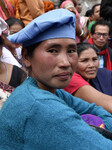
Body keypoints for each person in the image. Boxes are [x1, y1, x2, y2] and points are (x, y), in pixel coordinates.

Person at [0, 9, 112, 149]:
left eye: (71, 51)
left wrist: (99, 124)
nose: (65, 62)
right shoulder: (41, 106)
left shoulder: (47, 91)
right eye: (52, 50)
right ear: (27, 57)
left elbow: (94, 109)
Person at [64, 42, 112, 113]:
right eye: (84, 61)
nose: (92, 65)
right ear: (73, 62)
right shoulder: (71, 78)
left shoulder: (100, 75)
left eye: (94, 59)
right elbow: (109, 105)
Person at [0, 17, 27, 109]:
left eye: (20, 33)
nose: (17, 37)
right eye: (13, 33)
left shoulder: (19, 51)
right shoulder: (6, 52)